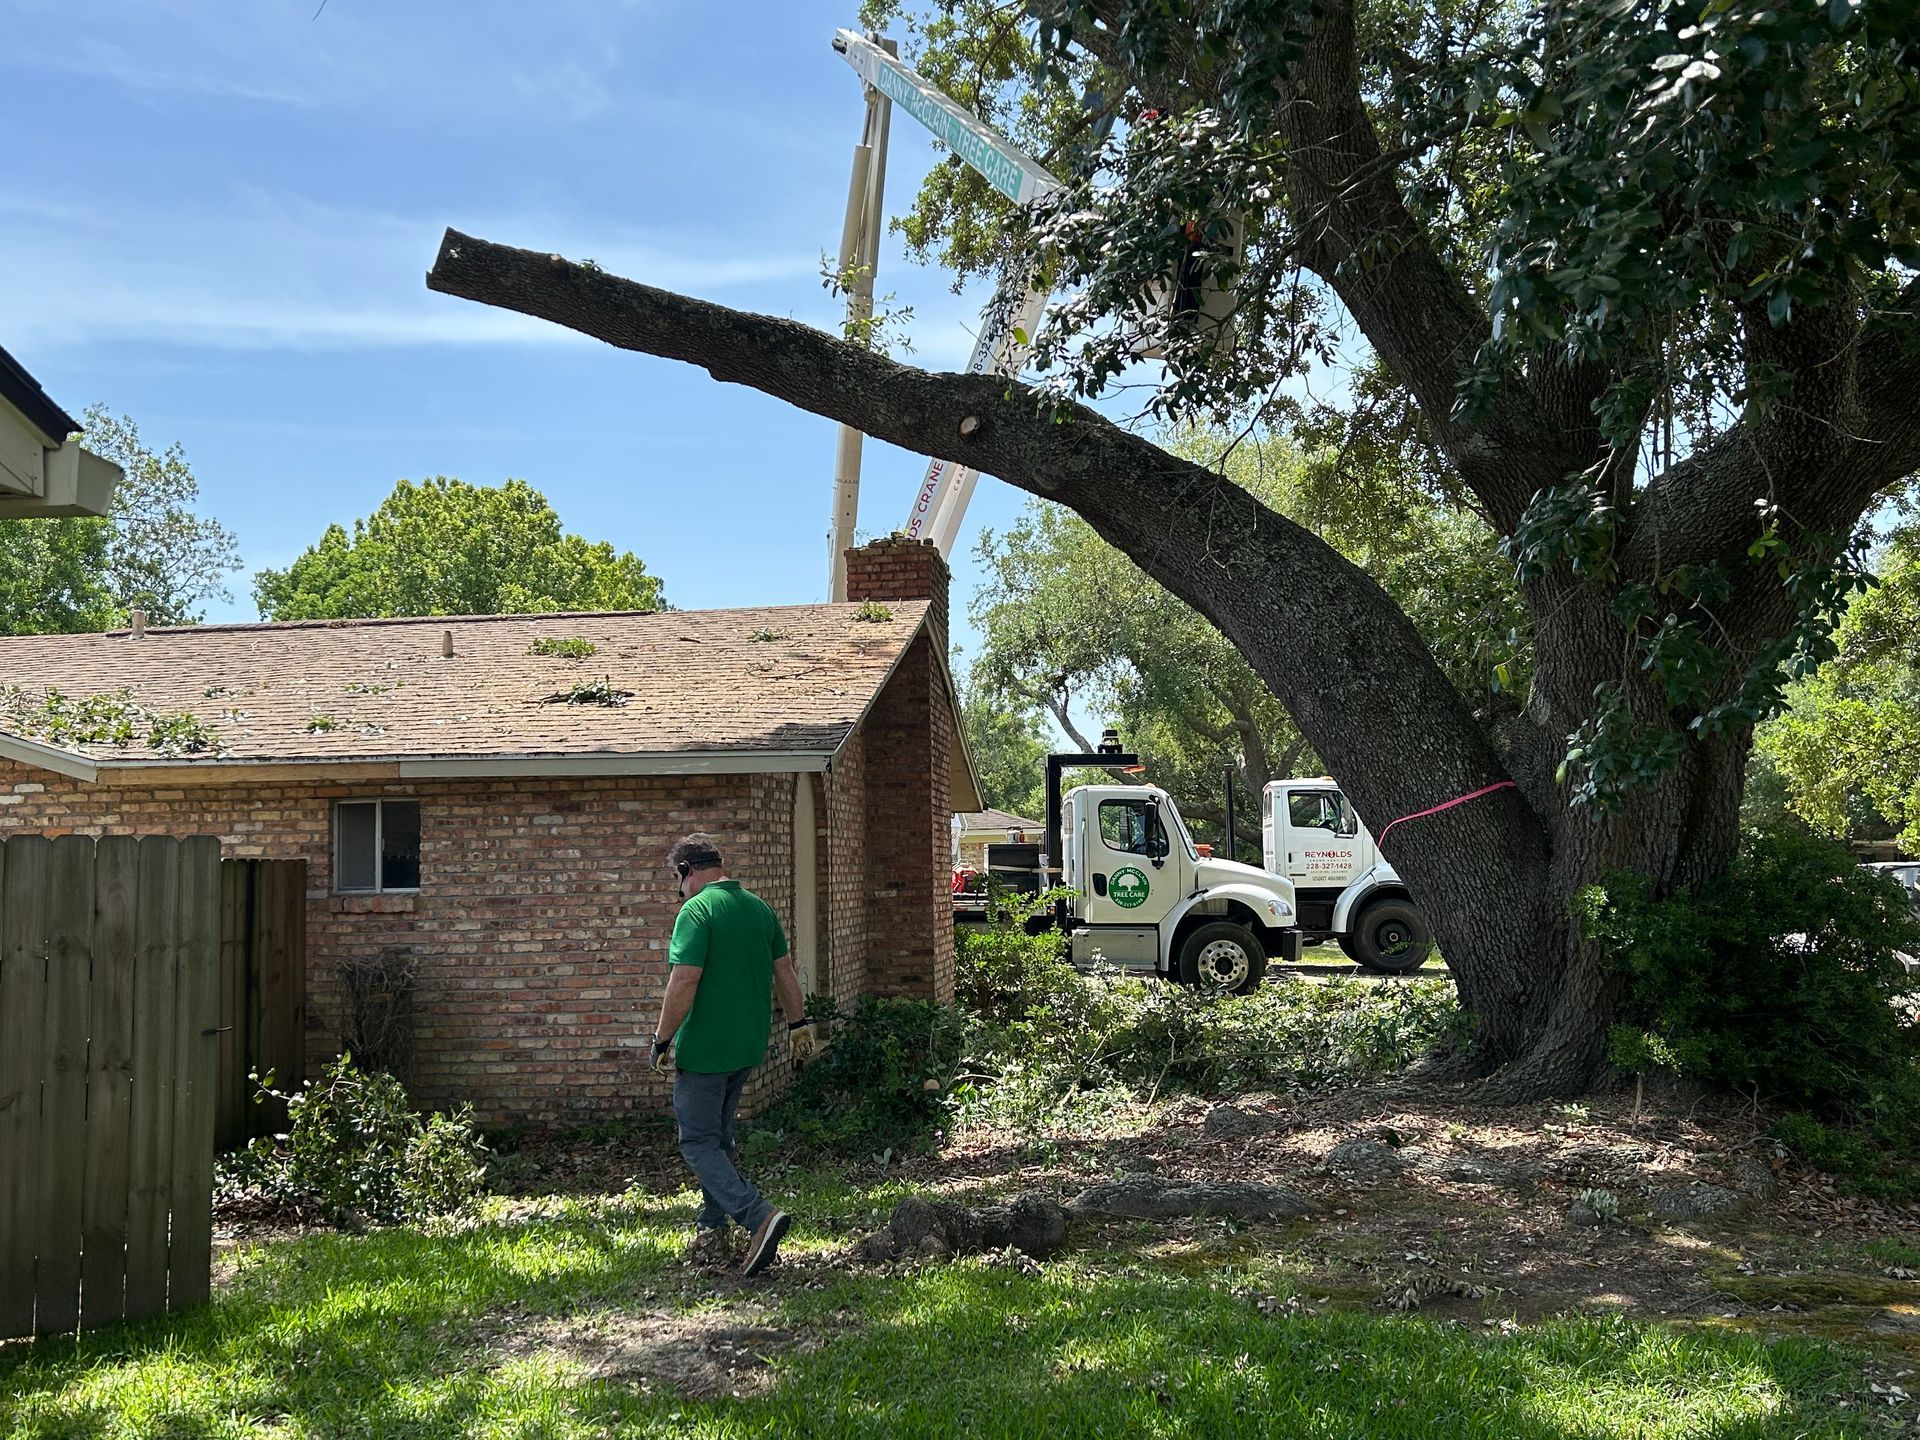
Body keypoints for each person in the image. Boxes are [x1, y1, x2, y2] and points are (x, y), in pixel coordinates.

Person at [649, 833, 814, 1277]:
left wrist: (662, 1038)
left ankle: (757, 1216)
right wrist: (799, 1024)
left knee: (697, 1141)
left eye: (677, 880)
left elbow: (684, 979)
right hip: (747, 1044)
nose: (678, 890)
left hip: (707, 1047)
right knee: (717, 1138)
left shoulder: (696, 911)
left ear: (687, 870)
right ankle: (711, 1224)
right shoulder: (757, 908)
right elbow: (784, 970)